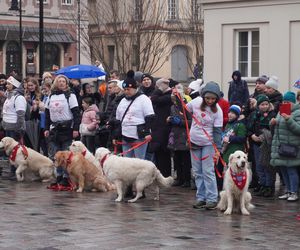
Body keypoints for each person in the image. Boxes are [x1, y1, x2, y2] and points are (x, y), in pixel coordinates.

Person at [188, 81, 223, 210]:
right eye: (207, 98)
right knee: (197, 172)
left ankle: (212, 198)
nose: (210, 101)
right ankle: (201, 197)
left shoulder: (218, 111)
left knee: (208, 171)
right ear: (203, 96)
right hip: (194, 141)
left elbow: (218, 132)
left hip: (208, 143)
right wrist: (177, 97)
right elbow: (184, 109)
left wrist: (218, 149)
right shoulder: (196, 102)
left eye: (213, 99)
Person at [44, 75, 81, 189]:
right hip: (54, 128)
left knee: (66, 155)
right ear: (56, 83)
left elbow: (76, 114)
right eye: (59, 81)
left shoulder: (70, 95)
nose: (61, 83)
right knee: (55, 154)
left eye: (63, 81)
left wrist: (75, 129)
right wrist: (46, 128)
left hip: (66, 128)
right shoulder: (51, 96)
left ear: (66, 83)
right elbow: (47, 114)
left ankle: (66, 177)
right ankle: (58, 176)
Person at [114, 70, 154, 160]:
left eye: (128, 89)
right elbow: (118, 120)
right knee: (127, 161)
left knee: (139, 161)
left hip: (139, 135)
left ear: (135, 88)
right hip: (125, 135)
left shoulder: (144, 99)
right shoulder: (122, 101)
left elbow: (150, 117)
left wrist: (147, 132)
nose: (126, 92)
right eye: (125, 90)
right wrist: (115, 136)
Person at [270, 91, 299, 201]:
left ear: (293, 102)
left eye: (288, 102)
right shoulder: (280, 112)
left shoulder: (297, 113)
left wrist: (288, 119)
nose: (285, 103)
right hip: (281, 146)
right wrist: (273, 122)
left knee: (291, 170)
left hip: (291, 147)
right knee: (283, 170)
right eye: (284, 101)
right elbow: (278, 127)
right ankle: (288, 191)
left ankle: (294, 192)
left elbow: (298, 129)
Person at [247, 94, 277, 197]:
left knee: (267, 166)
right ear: (258, 105)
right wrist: (252, 136)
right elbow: (249, 128)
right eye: (262, 104)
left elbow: (274, 130)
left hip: (267, 145)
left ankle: (269, 186)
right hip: (256, 144)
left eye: (266, 104)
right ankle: (263, 185)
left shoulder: (273, 114)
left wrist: (265, 135)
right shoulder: (254, 115)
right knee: (259, 166)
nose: (264, 106)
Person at [167, 84, 192, 187]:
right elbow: (172, 117)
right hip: (175, 135)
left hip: (184, 135)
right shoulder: (172, 107)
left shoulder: (187, 106)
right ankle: (179, 178)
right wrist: (170, 120)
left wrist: (180, 122)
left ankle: (187, 179)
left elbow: (191, 121)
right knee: (176, 158)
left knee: (185, 159)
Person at [2, 76, 27, 179]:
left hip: (14, 128)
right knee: (10, 151)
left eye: (9, 84)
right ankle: (12, 171)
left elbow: (20, 115)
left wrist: (18, 129)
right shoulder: (9, 96)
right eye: (6, 83)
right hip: (8, 127)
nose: (6, 86)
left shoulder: (19, 97)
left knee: (15, 151)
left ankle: (16, 172)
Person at [149, 78, 173, 177]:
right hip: (158, 127)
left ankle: (165, 175)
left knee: (164, 153)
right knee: (158, 153)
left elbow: (154, 99)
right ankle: (160, 174)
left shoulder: (169, 96)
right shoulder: (163, 95)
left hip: (164, 128)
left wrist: (159, 90)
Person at [23, 77, 41, 150]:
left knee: (36, 143)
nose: (30, 87)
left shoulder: (40, 95)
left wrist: (37, 104)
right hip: (27, 121)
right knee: (28, 144)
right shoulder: (26, 95)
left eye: (32, 85)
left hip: (36, 121)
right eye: (29, 85)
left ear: (36, 85)